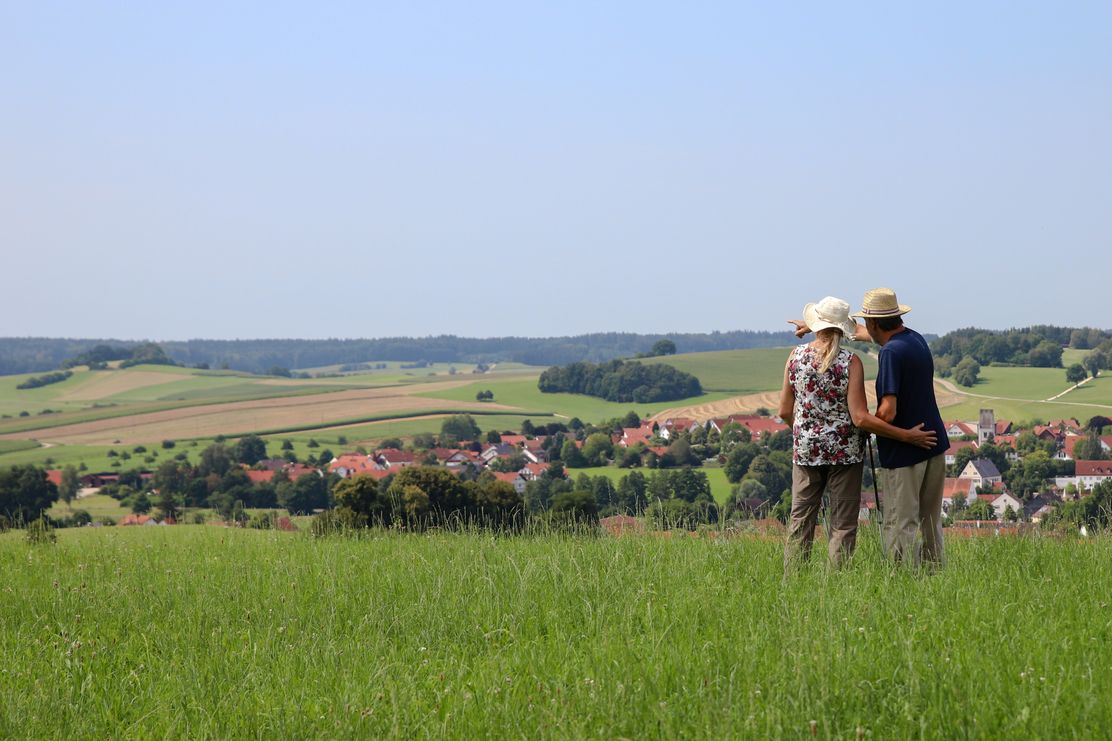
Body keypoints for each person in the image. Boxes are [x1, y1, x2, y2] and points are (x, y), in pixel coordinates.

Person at [779, 296, 937, 570]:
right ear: (844, 328)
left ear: (816, 324)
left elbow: (783, 411)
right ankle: (836, 582)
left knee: (800, 520)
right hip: (845, 454)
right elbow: (860, 417)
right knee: (842, 524)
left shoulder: (794, 358)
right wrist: (903, 435)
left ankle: (793, 580)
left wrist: (806, 433)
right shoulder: (850, 362)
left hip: (805, 453)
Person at [849, 287, 949, 567]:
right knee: (931, 520)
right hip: (935, 444)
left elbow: (888, 411)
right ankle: (934, 575)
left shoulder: (890, 353)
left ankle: (899, 579)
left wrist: (868, 424)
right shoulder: (913, 339)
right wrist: (825, 327)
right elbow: (865, 333)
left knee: (900, 522)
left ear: (873, 322)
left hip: (907, 451)